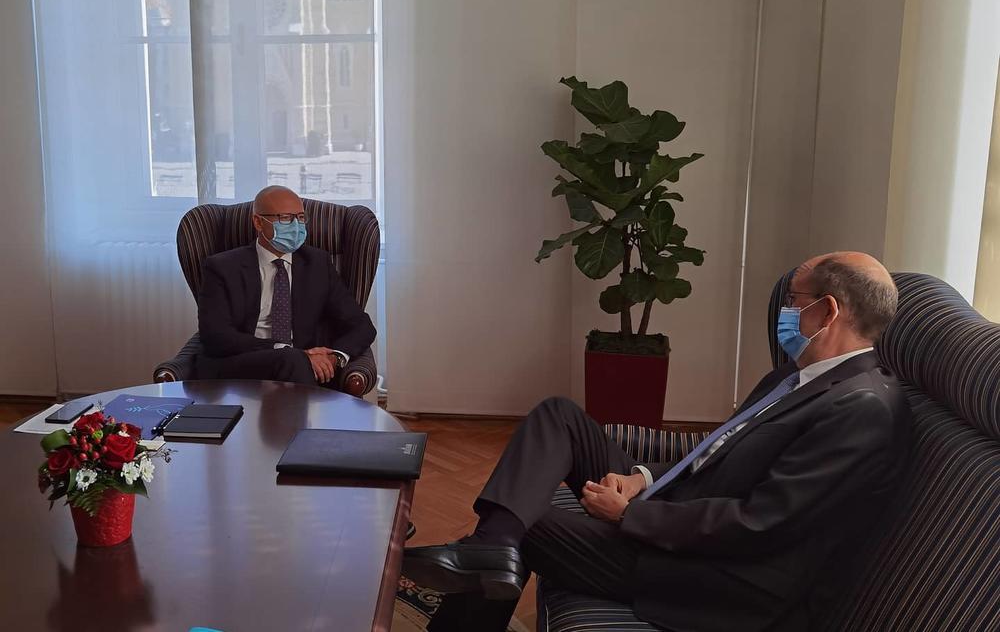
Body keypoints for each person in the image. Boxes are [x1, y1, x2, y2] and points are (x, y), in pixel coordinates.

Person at [404, 252, 912, 631]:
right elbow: (722, 448)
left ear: (826, 311)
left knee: (530, 524)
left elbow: (762, 525)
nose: (785, 311)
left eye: (792, 301)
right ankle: (492, 548)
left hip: (719, 575)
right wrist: (642, 478)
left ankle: (491, 553)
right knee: (559, 416)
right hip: (685, 511)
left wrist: (631, 515)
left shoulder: (861, 409)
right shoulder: (801, 377)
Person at [195, 185, 376, 388]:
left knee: (294, 361)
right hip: (238, 363)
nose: (296, 226)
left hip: (300, 368)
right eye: (285, 218)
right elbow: (215, 335)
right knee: (292, 359)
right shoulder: (222, 267)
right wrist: (283, 349)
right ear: (258, 222)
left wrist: (334, 357)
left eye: (300, 218)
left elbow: (361, 325)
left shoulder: (318, 264)